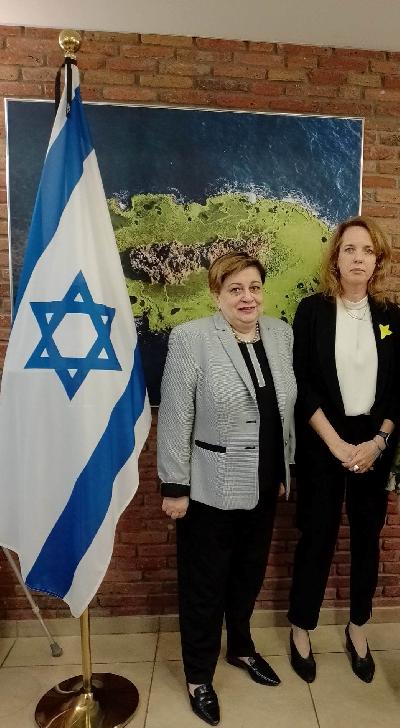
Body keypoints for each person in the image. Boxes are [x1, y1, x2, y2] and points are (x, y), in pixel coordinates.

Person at [157, 251, 296, 726]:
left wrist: (285, 469)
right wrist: (175, 486)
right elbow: (175, 417)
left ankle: (240, 647)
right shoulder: (191, 339)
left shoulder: (280, 334)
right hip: (208, 490)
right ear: (216, 294)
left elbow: (281, 412)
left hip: (264, 485)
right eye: (235, 289)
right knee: (204, 586)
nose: (247, 297)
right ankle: (198, 676)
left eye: (254, 287)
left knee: (247, 575)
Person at [287, 215, 400, 685]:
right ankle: (301, 627)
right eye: (350, 249)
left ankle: (358, 627)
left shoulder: (392, 316)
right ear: (336, 258)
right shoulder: (311, 312)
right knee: (317, 535)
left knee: (366, 540)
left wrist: (378, 441)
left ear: (378, 261)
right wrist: (335, 443)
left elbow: (398, 390)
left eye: (367, 251)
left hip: (374, 444)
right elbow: (302, 383)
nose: (358, 258)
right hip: (322, 442)